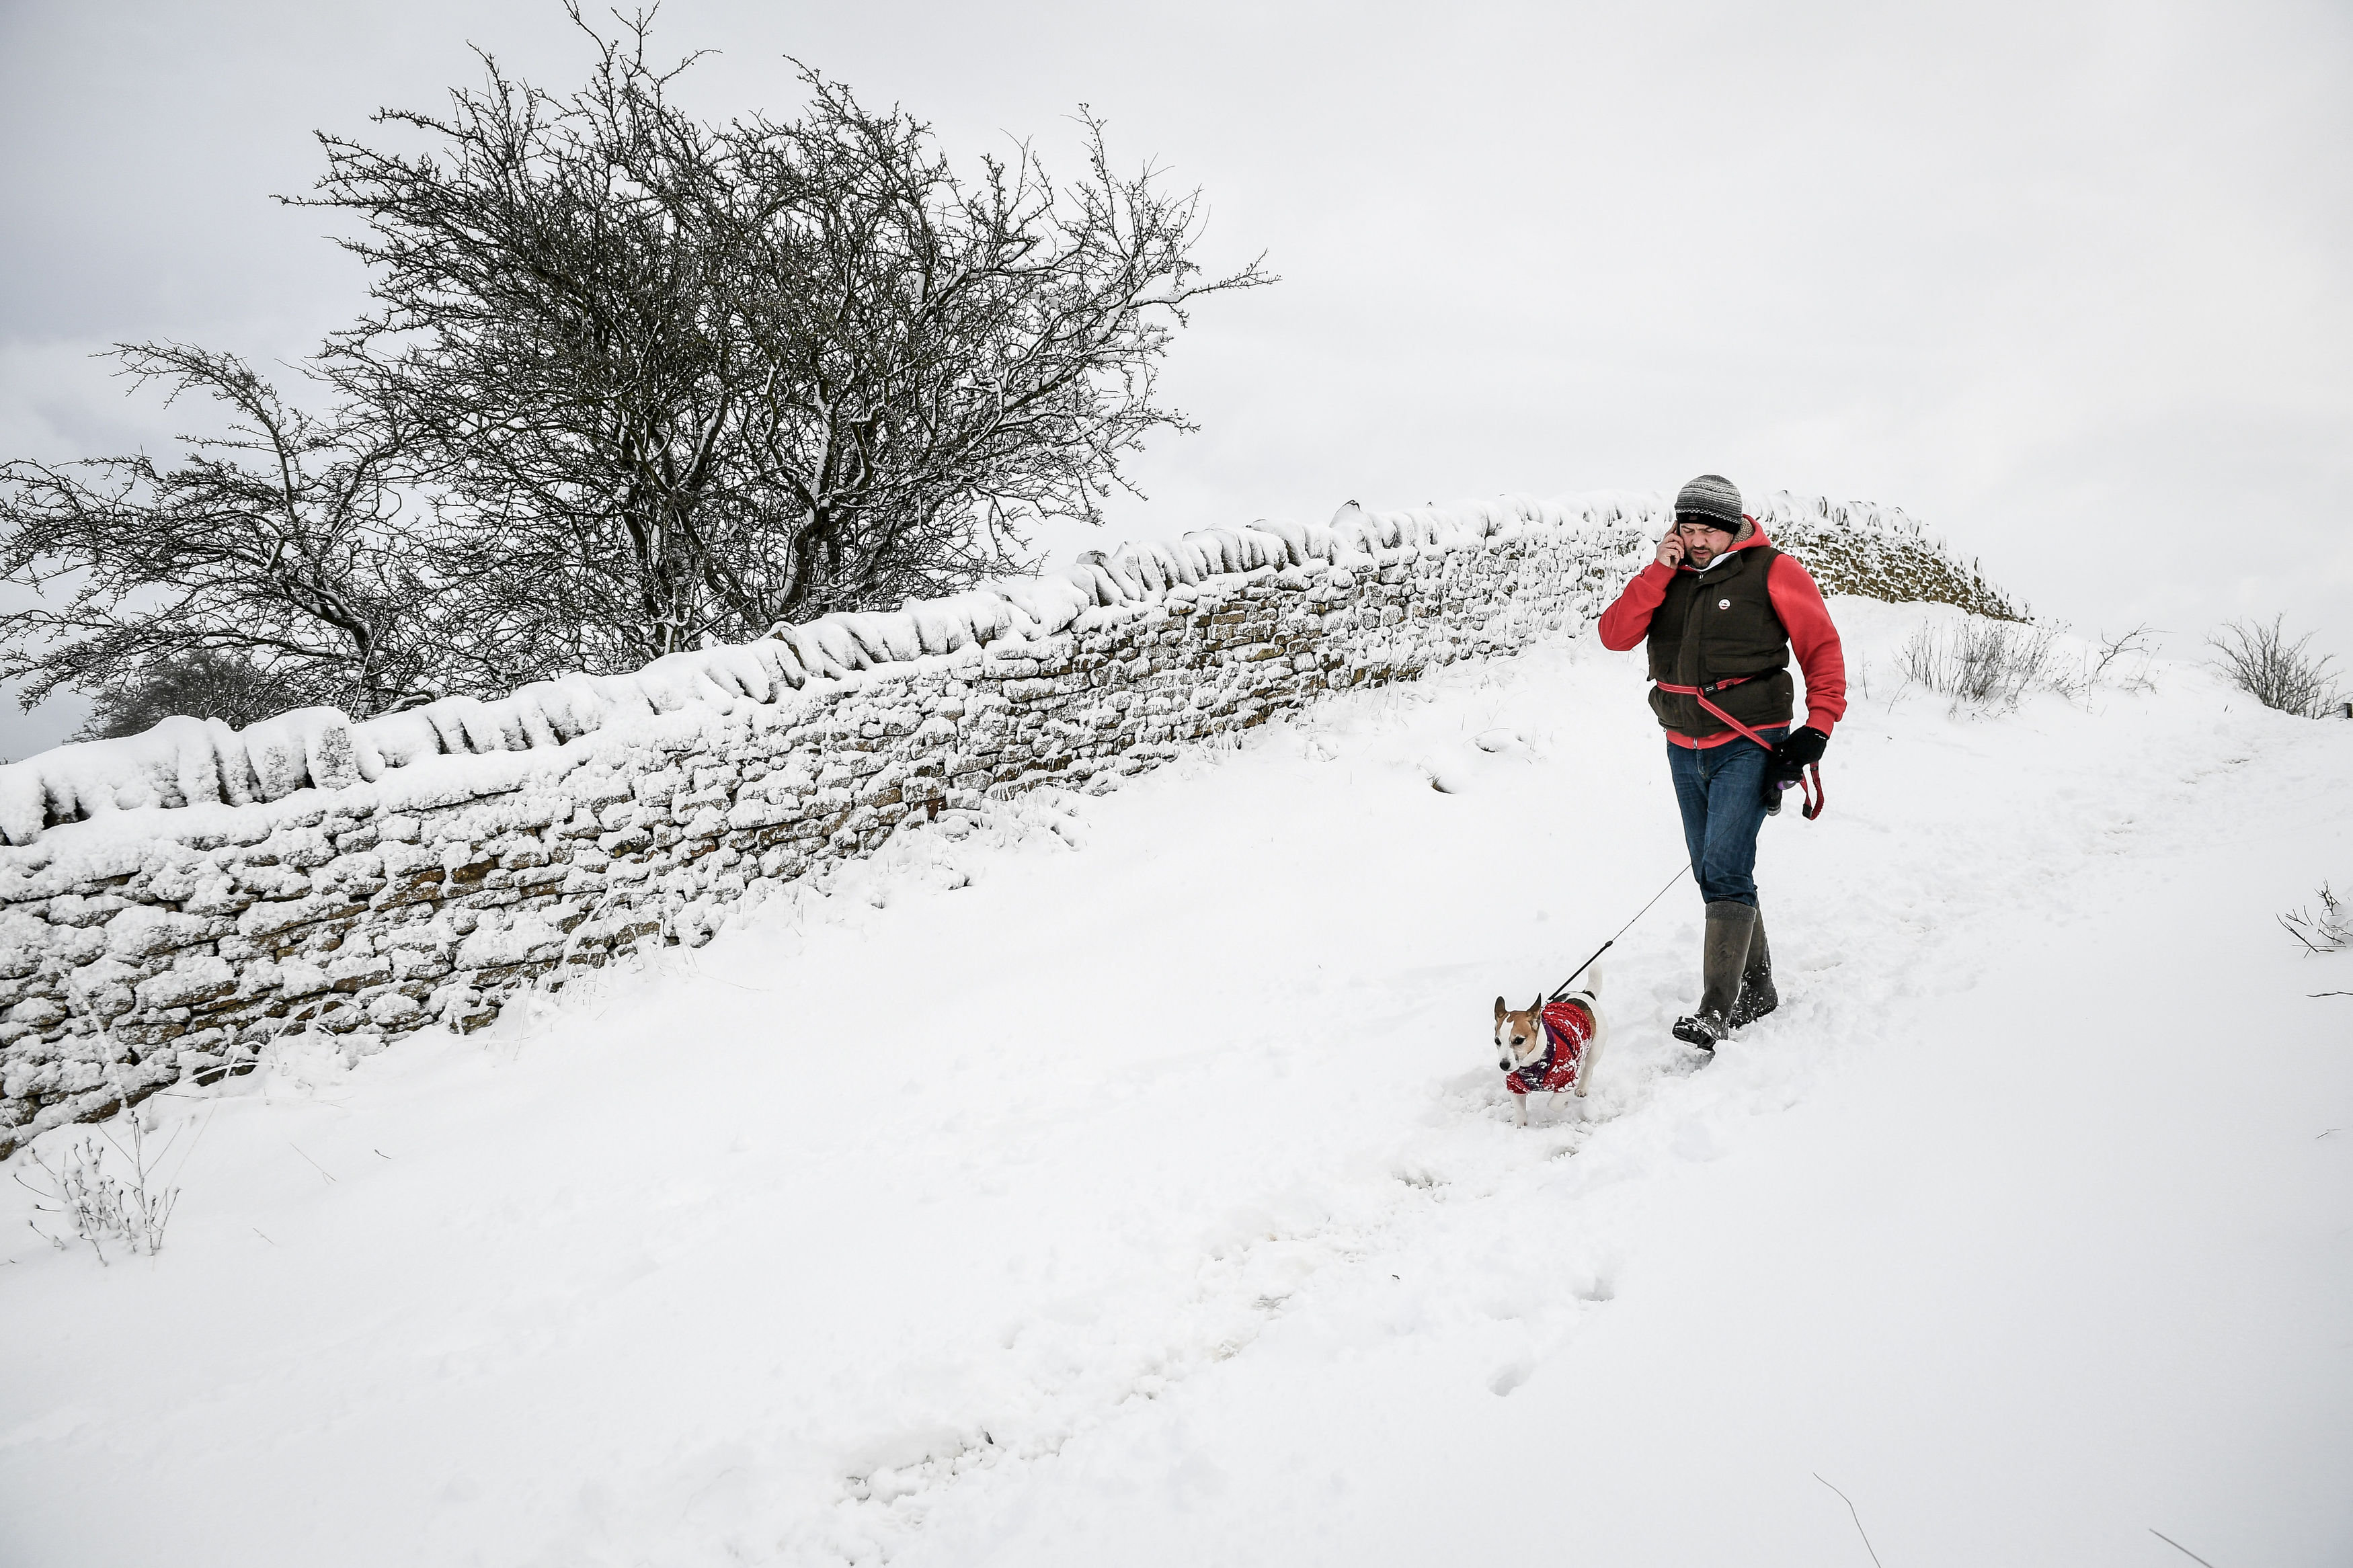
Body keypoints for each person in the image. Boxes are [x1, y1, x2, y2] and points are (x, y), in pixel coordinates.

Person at [1597, 474, 1847, 1051]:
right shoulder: (1669, 577)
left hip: (1750, 739)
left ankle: (1717, 1007)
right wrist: (1659, 571)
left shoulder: (1773, 570)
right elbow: (1614, 635)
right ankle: (1757, 987)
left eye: (1708, 528)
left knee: (1727, 865)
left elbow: (1822, 648)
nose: (1698, 539)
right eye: (1688, 528)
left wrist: (1818, 728)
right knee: (1710, 870)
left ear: (1734, 524)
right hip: (1683, 743)